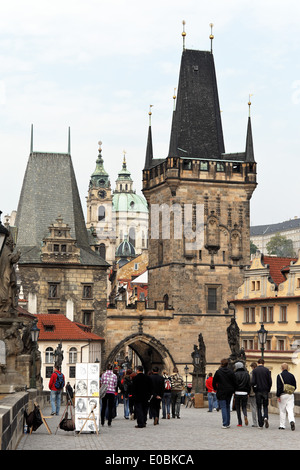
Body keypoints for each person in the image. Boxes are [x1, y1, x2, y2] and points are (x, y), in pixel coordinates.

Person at [212, 358, 236, 429]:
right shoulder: (231, 372)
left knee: (223, 407)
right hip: (229, 391)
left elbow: (214, 382)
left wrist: (215, 388)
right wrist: (234, 390)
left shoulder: (218, 372)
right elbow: (235, 382)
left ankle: (225, 423)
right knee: (228, 406)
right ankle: (228, 423)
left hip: (221, 391)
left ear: (221, 364)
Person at [251, 358, 272, 429]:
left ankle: (260, 424)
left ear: (258, 363)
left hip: (258, 391)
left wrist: (254, 389)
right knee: (265, 406)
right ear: (263, 363)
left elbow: (253, 382)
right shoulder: (267, 370)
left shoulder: (255, 370)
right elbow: (270, 381)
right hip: (265, 391)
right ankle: (265, 417)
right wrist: (268, 389)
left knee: (259, 407)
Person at [276, 363, 297, 431]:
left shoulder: (279, 376)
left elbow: (279, 387)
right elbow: (295, 386)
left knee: (282, 410)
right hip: (290, 394)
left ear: (281, 368)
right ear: (287, 368)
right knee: (290, 409)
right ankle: (292, 421)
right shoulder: (292, 376)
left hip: (283, 394)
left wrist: (278, 395)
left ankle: (282, 425)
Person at [233, 362, 251, 427]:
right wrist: (248, 392)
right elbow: (249, 384)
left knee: (237, 408)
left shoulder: (235, 374)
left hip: (237, 392)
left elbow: (234, 384)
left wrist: (234, 392)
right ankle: (245, 415)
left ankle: (240, 422)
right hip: (245, 393)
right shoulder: (247, 374)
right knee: (244, 406)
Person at [248, 362, 258, 427]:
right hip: (260, 392)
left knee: (254, 407)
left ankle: (255, 422)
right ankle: (262, 419)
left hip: (253, 392)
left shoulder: (251, 374)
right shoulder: (260, 373)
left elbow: (249, 384)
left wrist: (249, 392)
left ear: (252, 367)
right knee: (259, 407)